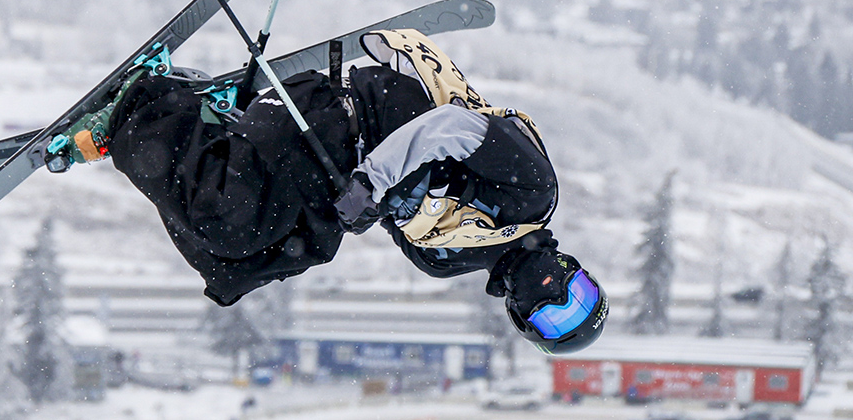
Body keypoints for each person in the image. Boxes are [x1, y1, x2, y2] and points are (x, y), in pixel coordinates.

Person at [58, 28, 608, 355]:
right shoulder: (533, 194)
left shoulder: (445, 261)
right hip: (342, 112)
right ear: (572, 265)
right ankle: (145, 103)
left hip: (330, 160)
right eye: (575, 290)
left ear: (521, 316)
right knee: (232, 219)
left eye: (556, 316)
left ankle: (192, 124)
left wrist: (362, 206)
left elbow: (390, 208)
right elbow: (453, 130)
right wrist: (372, 182)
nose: (555, 294)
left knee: (237, 266)